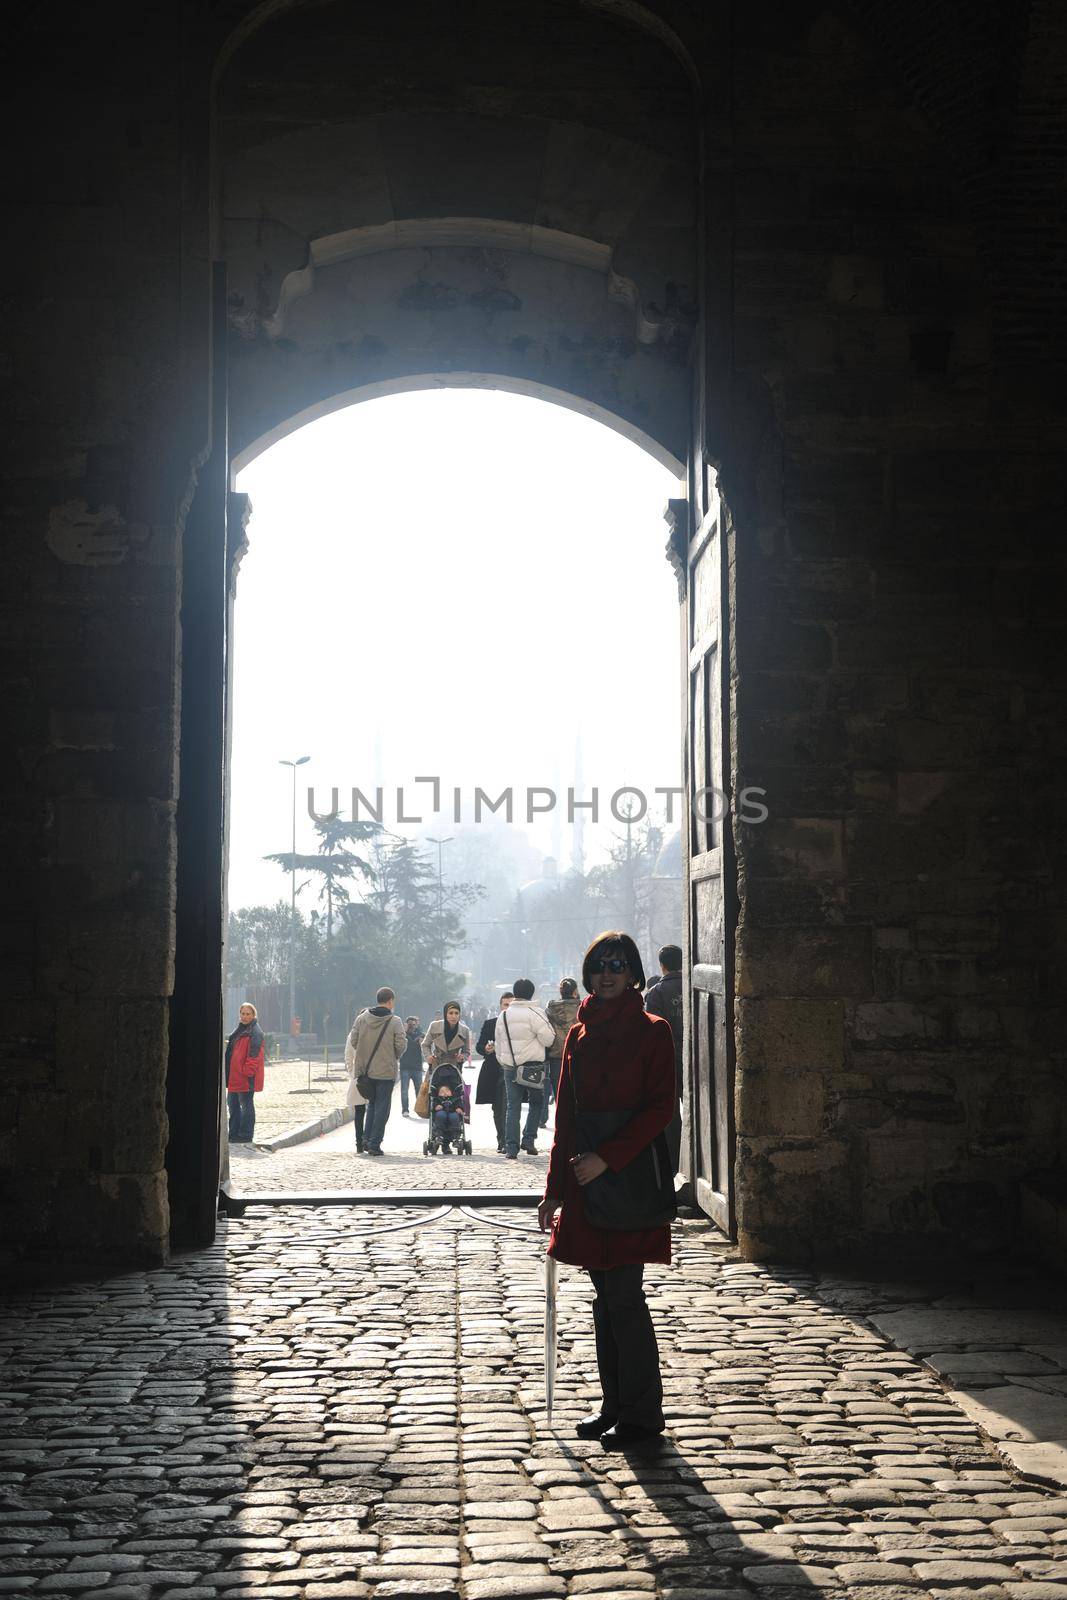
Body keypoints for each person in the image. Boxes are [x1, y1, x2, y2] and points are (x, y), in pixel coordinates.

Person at [538, 931, 676, 1451]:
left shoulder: (654, 1031)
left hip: (630, 1178)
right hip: (583, 1180)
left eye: (617, 965)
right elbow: (566, 1115)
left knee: (625, 1298)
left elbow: (660, 1108)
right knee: (604, 1299)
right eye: (598, 965)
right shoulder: (577, 1034)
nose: (607, 974)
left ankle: (643, 1415)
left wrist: (608, 1158)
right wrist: (555, 1189)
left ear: (633, 971)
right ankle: (614, 1403)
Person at [495, 977, 554, 1158]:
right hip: (533, 1067)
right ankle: (528, 1139)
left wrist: (505, 1061)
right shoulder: (535, 1013)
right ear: (531, 993)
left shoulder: (503, 1015)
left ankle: (511, 1147)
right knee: (536, 1103)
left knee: (513, 1107)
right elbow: (548, 1039)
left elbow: (499, 1043)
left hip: (509, 1067)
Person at [346, 987, 406, 1156]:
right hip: (386, 1070)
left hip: (366, 1070)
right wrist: (391, 1055)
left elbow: (354, 1040)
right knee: (382, 1108)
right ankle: (374, 1143)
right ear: (390, 1001)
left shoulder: (361, 1018)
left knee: (371, 1105)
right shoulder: (395, 1021)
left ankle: (366, 1139)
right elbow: (401, 1044)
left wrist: (365, 1053)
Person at [643, 944, 684, 1173]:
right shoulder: (693, 987)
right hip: (697, 1056)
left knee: (671, 1111)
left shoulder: (657, 992)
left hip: (669, 1054)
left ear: (662, 965)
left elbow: (655, 1030)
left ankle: (674, 1163)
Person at [475, 992, 513, 1153]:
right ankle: (502, 1140)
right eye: (505, 1004)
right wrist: (486, 1048)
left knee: (510, 1108)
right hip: (494, 1070)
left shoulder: (520, 1025)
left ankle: (510, 1141)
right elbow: (479, 1046)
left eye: (511, 1005)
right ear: (500, 1006)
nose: (508, 1008)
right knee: (498, 1109)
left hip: (511, 1069)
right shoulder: (491, 1024)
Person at [542, 976, 581, 1129]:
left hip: (556, 1055)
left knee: (559, 1091)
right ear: (575, 991)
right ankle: (575, 1121)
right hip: (577, 1054)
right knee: (577, 1090)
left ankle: (562, 1123)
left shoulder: (551, 1009)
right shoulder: (582, 1008)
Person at [225, 1002, 266, 1143]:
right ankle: (234, 1133)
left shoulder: (255, 1032)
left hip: (245, 1077)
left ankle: (245, 1134)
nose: (244, 1016)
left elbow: (254, 1056)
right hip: (234, 1077)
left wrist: (246, 1072)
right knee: (232, 1105)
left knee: (246, 1106)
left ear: (253, 1015)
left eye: (248, 1014)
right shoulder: (239, 1030)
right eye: (242, 1013)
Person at [421, 1001, 473, 1079]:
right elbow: (425, 1045)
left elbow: (467, 1051)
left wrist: (462, 1057)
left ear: (459, 1015)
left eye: (456, 1013)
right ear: (445, 1014)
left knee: (456, 1090)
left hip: (454, 1067)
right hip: (436, 1065)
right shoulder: (435, 1026)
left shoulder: (464, 1030)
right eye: (451, 1013)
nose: (454, 1016)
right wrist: (428, 1056)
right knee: (427, 1089)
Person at [399, 1016, 424, 1117]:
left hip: (417, 1066)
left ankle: (419, 1109)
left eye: (414, 1024)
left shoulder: (421, 1035)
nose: (411, 1026)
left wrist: (422, 1042)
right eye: (409, 1024)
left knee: (419, 1090)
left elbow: (426, 1047)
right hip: (405, 1066)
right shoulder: (402, 1035)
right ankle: (405, 1109)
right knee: (404, 1090)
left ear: (417, 1024)